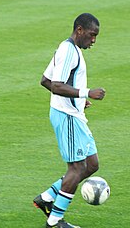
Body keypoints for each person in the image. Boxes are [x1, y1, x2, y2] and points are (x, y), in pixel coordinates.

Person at [33, 13, 106, 228]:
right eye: (92, 35)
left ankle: (47, 198)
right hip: (67, 118)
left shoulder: (70, 49)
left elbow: (44, 80)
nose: (93, 40)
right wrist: (86, 93)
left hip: (73, 113)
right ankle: (55, 221)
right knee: (76, 168)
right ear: (80, 30)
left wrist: (78, 101)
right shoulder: (68, 51)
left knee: (91, 164)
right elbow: (55, 85)